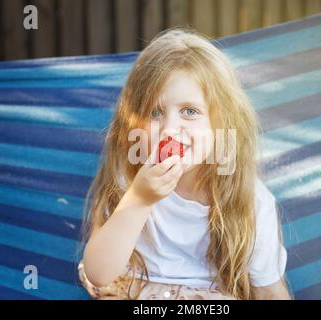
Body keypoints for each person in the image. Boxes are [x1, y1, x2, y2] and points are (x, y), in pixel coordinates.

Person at [78, 27, 291, 300]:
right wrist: (139, 199)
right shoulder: (129, 177)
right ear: (134, 124)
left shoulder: (250, 200)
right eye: (156, 113)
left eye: (189, 111)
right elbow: (99, 273)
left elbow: (270, 293)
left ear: (221, 123)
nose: (170, 129)